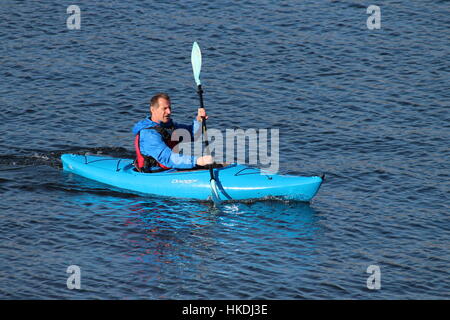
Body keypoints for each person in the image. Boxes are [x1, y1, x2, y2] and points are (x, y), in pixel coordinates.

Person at [132, 93, 213, 172]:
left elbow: (193, 135)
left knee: (214, 165)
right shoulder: (148, 134)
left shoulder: (170, 127)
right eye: (165, 108)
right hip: (157, 172)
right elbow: (167, 158)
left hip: (173, 168)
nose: (169, 112)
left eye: (169, 108)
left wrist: (199, 121)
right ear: (153, 109)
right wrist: (197, 161)